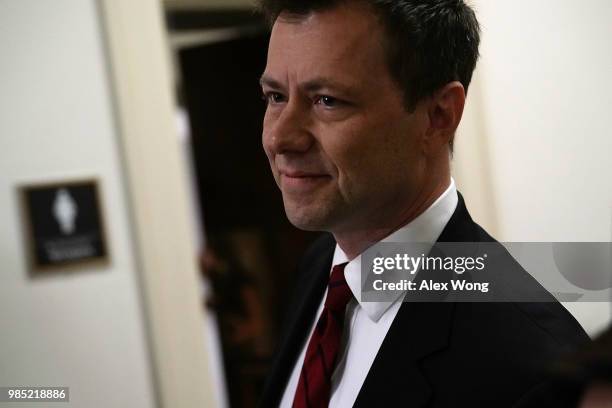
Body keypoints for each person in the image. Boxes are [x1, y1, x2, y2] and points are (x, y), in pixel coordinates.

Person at [256, 0, 590, 407]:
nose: (280, 138)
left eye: (327, 100)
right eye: (275, 96)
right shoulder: (322, 265)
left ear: (439, 116)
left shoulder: (537, 368)